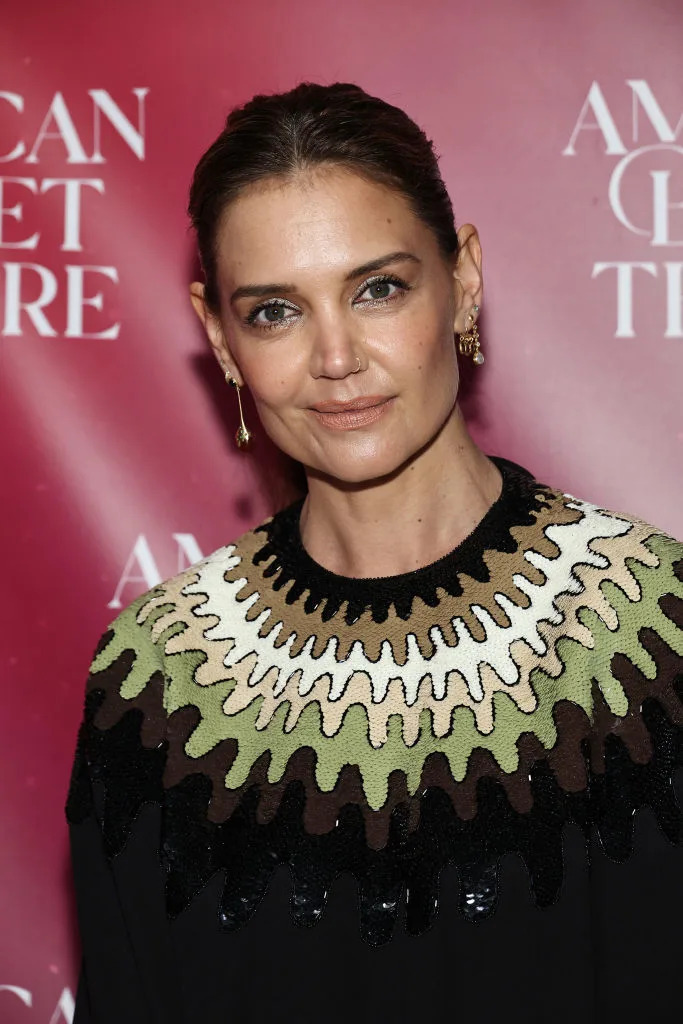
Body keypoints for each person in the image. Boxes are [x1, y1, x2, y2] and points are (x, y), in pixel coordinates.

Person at [65, 81, 683, 1024]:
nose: (336, 357)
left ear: (463, 279)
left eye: (378, 289)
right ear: (218, 336)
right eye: (275, 310)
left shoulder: (654, 637)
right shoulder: (155, 688)